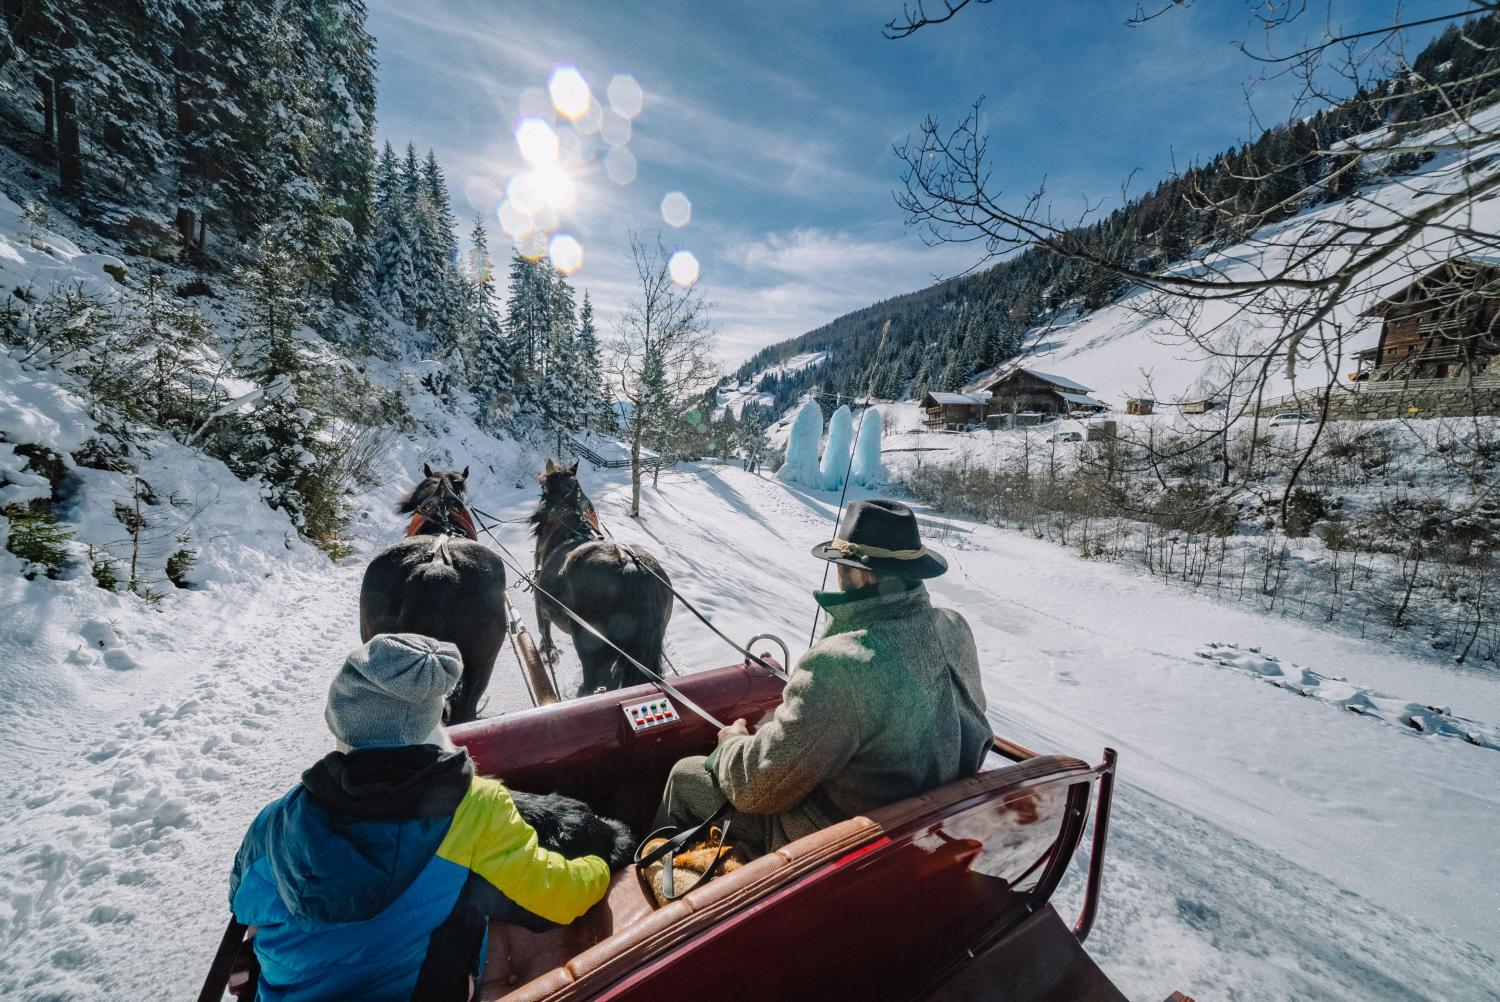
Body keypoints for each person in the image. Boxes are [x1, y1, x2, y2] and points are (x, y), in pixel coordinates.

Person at [229, 634, 610, 1001]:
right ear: (431, 723)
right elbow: (556, 899)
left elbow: (243, 906)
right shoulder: (474, 805)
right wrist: (599, 867)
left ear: (340, 722)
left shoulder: (275, 820)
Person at [654, 499, 990, 857]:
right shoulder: (955, 627)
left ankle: (657, 885)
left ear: (864, 574)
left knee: (685, 775)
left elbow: (756, 789)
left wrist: (730, 745)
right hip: (927, 831)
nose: (837, 574)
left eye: (840, 565)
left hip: (836, 847)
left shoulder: (841, 665)